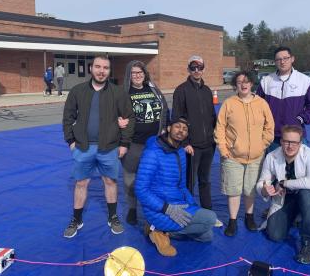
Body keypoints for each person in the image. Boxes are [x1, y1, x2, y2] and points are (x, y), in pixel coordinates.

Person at [62, 55, 135, 238]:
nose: (101, 71)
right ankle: (76, 219)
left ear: (109, 71)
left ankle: (113, 217)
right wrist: (71, 142)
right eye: (98, 67)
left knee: (110, 182)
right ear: (91, 68)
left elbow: (129, 118)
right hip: (83, 147)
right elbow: (67, 118)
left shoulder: (118, 93)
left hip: (109, 147)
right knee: (81, 183)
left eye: (105, 68)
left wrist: (124, 143)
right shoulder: (77, 91)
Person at [135, 117, 217, 257]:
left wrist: (193, 205)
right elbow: (140, 190)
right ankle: (155, 227)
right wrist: (167, 208)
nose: (181, 131)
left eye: (185, 129)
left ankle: (163, 231)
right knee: (210, 218)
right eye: (177, 126)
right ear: (168, 128)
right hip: (160, 209)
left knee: (207, 235)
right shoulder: (153, 153)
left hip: (178, 203)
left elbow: (182, 185)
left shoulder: (179, 151)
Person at [214, 71, 275, 237]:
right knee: (234, 189)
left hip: (256, 157)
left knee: (250, 189)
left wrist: (261, 145)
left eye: (246, 81)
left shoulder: (261, 103)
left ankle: (249, 217)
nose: (243, 84)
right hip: (232, 157)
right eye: (240, 81)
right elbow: (220, 127)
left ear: (252, 84)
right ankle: (232, 221)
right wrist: (224, 149)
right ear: (236, 85)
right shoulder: (229, 103)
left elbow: (269, 128)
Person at [256, 125, 310, 265]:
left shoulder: (309, 154)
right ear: (281, 141)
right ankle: (295, 216)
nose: (290, 146)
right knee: (275, 235)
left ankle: (309, 243)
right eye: (287, 141)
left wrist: (284, 183)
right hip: (285, 198)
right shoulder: (272, 156)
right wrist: (265, 189)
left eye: (294, 142)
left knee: (307, 195)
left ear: (300, 143)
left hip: (306, 196)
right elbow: (262, 182)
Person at [119, 60, 170, 225]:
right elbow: (114, 114)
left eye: (140, 72)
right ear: (129, 75)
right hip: (134, 143)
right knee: (130, 178)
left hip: (154, 143)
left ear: (144, 73)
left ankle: (153, 208)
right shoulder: (124, 93)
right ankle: (133, 209)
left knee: (154, 178)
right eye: (133, 73)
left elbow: (165, 110)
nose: (137, 75)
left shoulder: (154, 90)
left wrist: (164, 128)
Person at [172, 55, 219, 222]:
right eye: (193, 67)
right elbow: (176, 119)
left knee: (205, 181)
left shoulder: (207, 91)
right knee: (189, 183)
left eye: (199, 67)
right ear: (188, 69)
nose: (197, 70)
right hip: (191, 147)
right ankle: (190, 215)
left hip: (209, 145)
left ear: (204, 69)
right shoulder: (181, 90)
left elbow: (213, 117)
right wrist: (184, 143)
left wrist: (217, 136)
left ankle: (209, 215)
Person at [256, 46, 310, 151]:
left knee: (297, 167)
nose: (282, 62)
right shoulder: (266, 81)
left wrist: (301, 119)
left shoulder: (305, 81)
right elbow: (256, 106)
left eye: (285, 58)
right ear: (275, 62)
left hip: (295, 135)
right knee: (273, 166)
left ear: (292, 59)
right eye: (278, 59)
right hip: (272, 137)